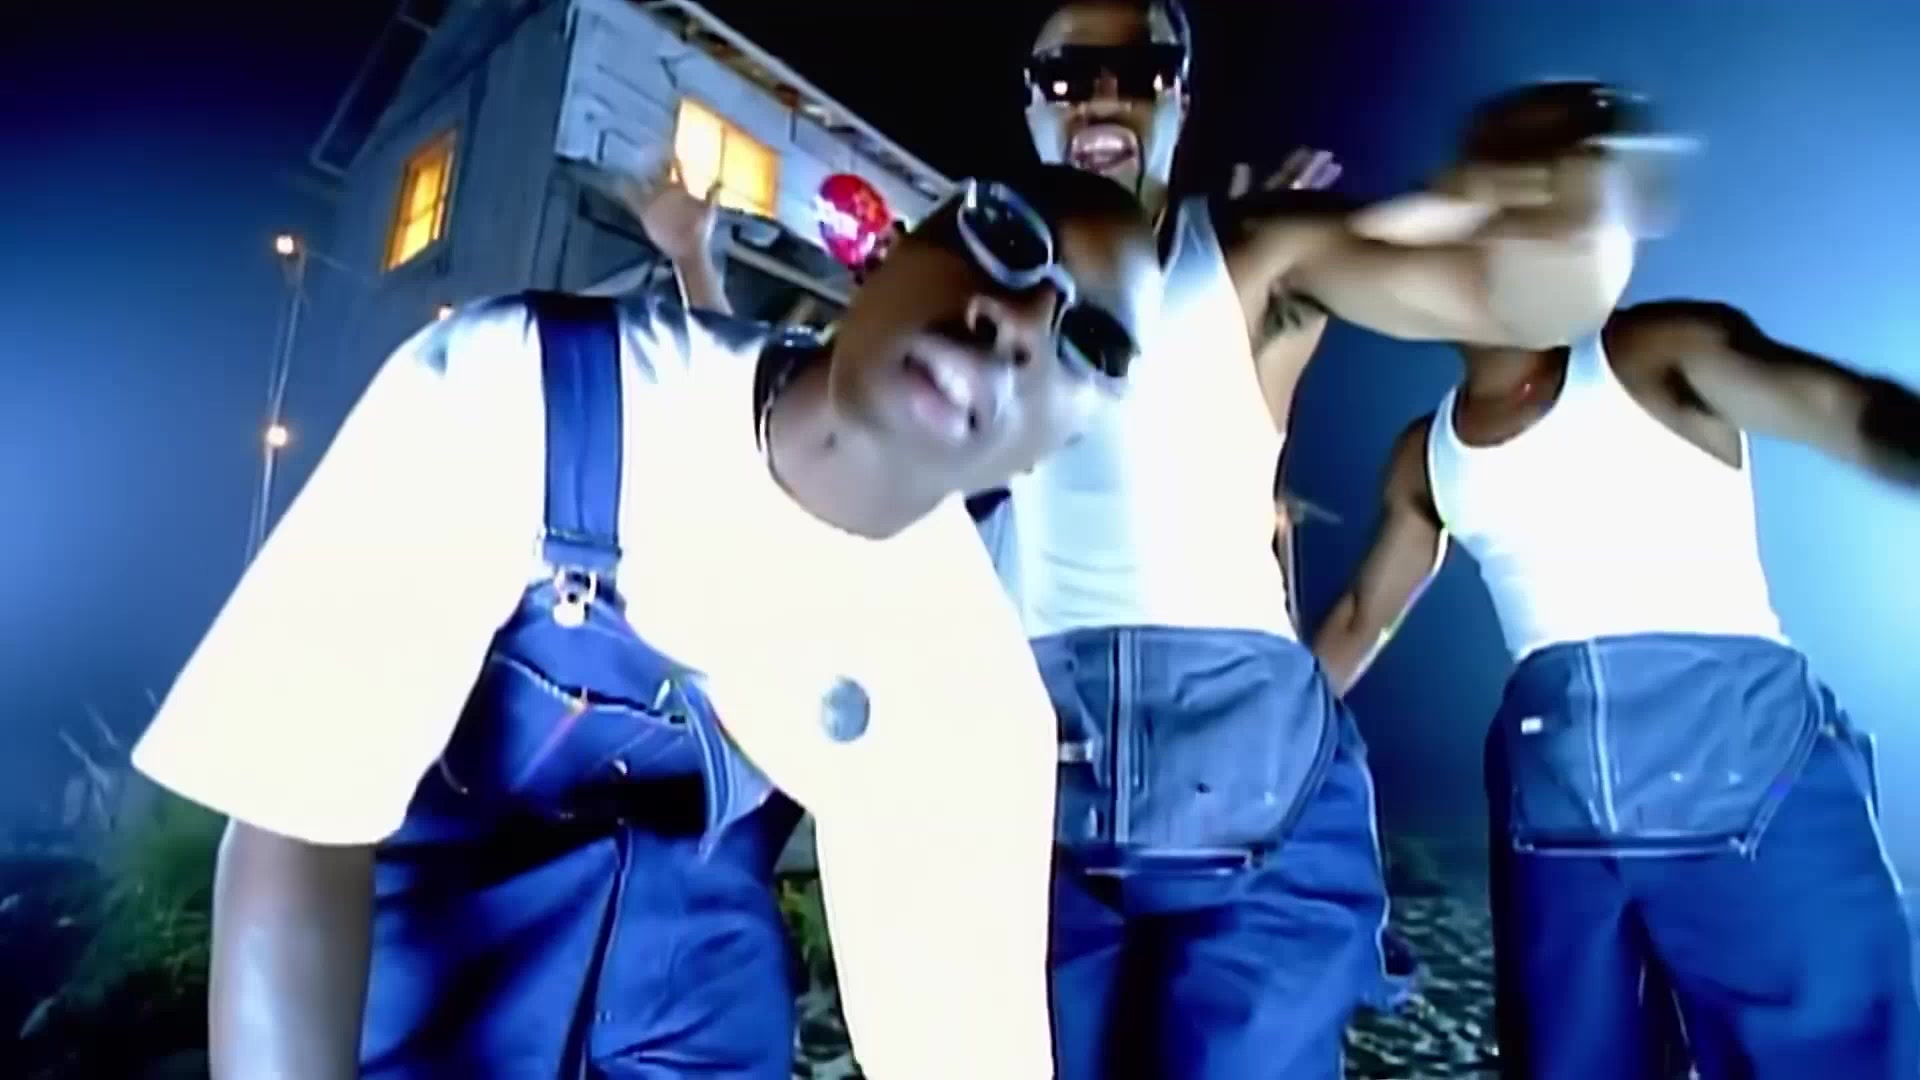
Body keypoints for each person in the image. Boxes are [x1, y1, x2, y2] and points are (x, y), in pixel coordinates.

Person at [129, 163, 1163, 1080]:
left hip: (695, 1023)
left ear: (1062, 449)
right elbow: (297, 815)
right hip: (422, 993)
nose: (1019, 321)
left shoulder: (969, 701)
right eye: (1011, 240)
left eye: (1092, 343)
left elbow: (958, 1051)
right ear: (888, 249)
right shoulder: (524, 388)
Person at [995, 3, 1651, 1075]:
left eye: (1138, 68)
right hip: (1051, 782)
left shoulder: (1255, 256)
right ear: (1031, 103)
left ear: (1179, 99)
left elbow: (1520, 302)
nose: (1103, 94)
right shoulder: (975, 278)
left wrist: (1566, 192)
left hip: (1248, 774)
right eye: (1070, 74)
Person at [1310, 81, 1920, 1080]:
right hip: (1563, 813)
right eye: (1515, 194)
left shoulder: (1649, 351)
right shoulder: (1427, 453)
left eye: (1561, 193)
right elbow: (1358, 618)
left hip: (1740, 775)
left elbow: (1846, 412)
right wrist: (1268, 742)